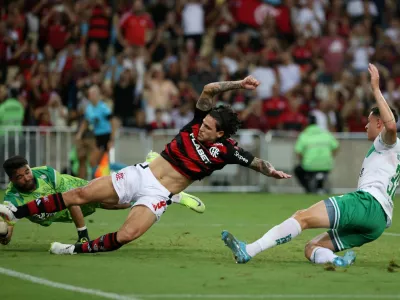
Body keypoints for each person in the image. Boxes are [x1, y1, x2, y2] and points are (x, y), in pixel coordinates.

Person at [0, 76, 291, 255]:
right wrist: (240, 84)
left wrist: (272, 171)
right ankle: (15, 211)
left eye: (208, 127)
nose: (201, 128)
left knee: (126, 235)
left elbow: (257, 162)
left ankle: (73, 249)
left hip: (158, 196)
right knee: (81, 194)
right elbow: (209, 89)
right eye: (203, 123)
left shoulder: (227, 151)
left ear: (221, 134)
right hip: (140, 175)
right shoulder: (194, 124)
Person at [220, 64, 398, 267]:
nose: (365, 125)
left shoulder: (387, 141)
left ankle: (248, 250)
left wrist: (375, 89)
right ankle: (336, 260)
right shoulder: (393, 151)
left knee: (301, 217)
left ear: (379, 123)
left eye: (369, 121)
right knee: (312, 248)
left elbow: (391, 125)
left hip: (367, 204)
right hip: (378, 223)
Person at [0, 154, 205, 246]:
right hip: (74, 205)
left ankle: (161, 180)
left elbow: (72, 200)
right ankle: (168, 192)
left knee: (122, 202)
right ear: (12, 179)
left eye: (27, 171)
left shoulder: (45, 174)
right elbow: (9, 227)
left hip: (82, 192)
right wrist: (5, 232)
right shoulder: (13, 198)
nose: (27, 177)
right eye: (21, 176)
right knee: (124, 204)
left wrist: (83, 235)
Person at [294, 115, 339, 194]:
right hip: (326, 165)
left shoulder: (304, 135)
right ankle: (320, 187)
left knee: (298, 170)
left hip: (309, 166)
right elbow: (336, 147)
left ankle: (308, 189)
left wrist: (303, 160)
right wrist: (330, 157)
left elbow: (298, 152)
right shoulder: (326, 133)